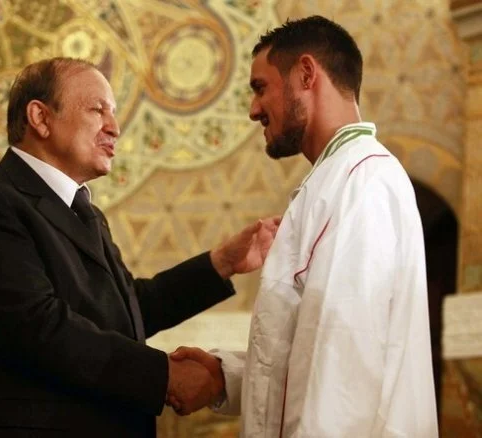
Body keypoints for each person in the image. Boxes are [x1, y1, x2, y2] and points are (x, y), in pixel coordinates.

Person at [0, 57, 280, 438]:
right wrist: (165, 376)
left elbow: (127, 311)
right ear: (41, 118)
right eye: (98, 110)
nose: (114, 127)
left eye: (113, 112)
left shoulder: (87, 213)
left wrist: (222, 262)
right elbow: (37, 326)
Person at [170, 15, 438, 437]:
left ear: (306, 74)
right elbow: (308, 353)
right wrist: (226, 377)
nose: (254, 109)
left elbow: (344, 375)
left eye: (261, 87)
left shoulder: (361, 182)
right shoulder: (337, 179)